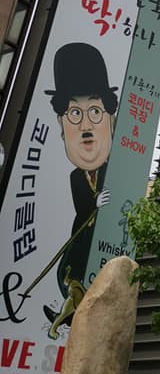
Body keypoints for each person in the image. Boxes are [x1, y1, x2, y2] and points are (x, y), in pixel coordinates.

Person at [42, 42, 117, 337]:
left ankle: (70, 310)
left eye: (95, 111)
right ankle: (70, 306)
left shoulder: (115, 172)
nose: (86, 125)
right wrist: (95, 203)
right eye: (74, 113)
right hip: (82, 234)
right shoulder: (76, 177)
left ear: (111, 119)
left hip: (102, 245)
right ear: (61, 125)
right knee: (70, 271)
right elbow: (81, 205)